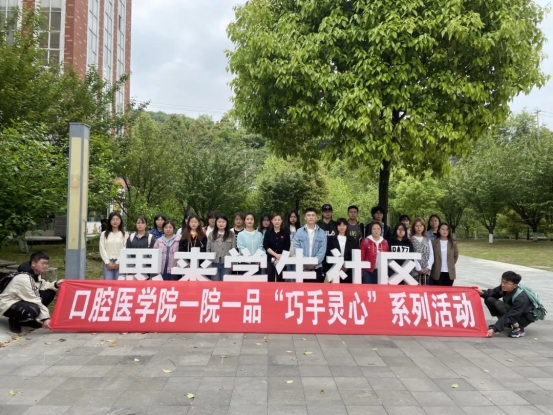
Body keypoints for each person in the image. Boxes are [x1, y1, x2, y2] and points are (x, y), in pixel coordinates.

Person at [0, 252, 64, 334]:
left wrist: (55, 285)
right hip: (7, 304)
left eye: (47, 263)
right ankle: (14, 320)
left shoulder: (34, 273)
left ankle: (29, 320)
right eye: (43, 263)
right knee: (33, 309)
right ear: (33, 263)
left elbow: (41, 285)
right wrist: (45, 318)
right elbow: (34, 299)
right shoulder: (24, 278)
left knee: (50, 292)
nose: (46, 266)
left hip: (21, 300)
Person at [478, 271, 536, 338]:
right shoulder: (504, 287)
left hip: (524, 317)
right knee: (489, 299)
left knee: (500, 305)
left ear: (515, 285)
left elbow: (512, 314)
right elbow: (493, 293)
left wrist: (495, 329)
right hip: (514, 312)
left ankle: (518, 328)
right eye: (502, 281)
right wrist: (482, 293)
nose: (503, 285)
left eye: (506, 283)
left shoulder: (521, 297)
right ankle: (505, 324)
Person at [293, 208, 327, 283]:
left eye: (313, 215)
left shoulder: (322, 233)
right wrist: (306, 262)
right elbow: (296, 248)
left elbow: (322, 251)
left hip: (317, 267)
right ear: (305, 218)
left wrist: (313, 263)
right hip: (302, 267)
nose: (311, 217)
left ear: (316, 217)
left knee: (316, 289)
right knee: (301, 289)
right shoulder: (299, 232)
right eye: (308, 215)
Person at [325, 218, 357, 283]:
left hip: (348, 269)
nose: (342, 227)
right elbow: (328, 253)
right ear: (336, 227)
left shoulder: (352, 240)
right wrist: (338, 266)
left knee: (347, 287)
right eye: (339, 225)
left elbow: (355, 254)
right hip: (334, 268)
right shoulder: (331, 239)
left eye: (344, 225)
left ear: (347, 226)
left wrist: (346, 266)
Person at [99, 211, 127, 280]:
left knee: (119, 283)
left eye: (117, 219)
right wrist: (107, 262)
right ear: (109, 221)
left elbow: (125, 248)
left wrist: (118, 262)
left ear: (120, 221)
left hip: (121, 262)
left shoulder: (125, 234)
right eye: (113, 219)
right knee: (108, 283)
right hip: (108, 262)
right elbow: (102, 248)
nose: (115, 221)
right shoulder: (104, 234)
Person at [207, 214, 235, 281]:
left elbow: (233, 249)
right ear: (216, 223)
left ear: (226, 223)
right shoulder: (211, 234)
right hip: (214, 263)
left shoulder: (231, 234)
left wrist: (232, 264)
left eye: (223, 222)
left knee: (225, 284)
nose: (221, 224)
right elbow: (208, 249)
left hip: (227, 263)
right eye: (219, 222)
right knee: (215, 283)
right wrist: (209, 264)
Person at [263, 214, 291, 282]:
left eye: (279, 220)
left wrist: (280, 256)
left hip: (282, 258)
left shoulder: (286, 233)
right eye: (275, 220)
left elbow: (287, 246)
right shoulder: (268, 233)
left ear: (281, 221)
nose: (277, 221)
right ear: (272, 221)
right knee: (270, 278)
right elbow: (266, 246)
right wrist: (275, 255)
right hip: (270, 259)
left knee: (281, 279)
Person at [410, 218, 434, 285]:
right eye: (417, 226)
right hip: (415, 269)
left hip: (426, 269)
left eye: (421, 226)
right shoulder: (411, 239)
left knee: (426, 288)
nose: (419, 228)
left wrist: (428, 267)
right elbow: (411, 254)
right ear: (413, 227)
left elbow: (431, 253)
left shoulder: (427, 239)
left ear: (424, 227)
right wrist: (418, 268)